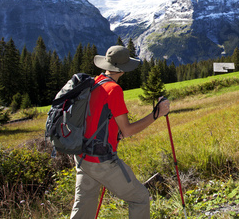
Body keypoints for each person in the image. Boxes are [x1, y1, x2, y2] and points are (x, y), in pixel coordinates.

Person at [70, 45, 170, 219]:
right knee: (140, 198)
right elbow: (128, 130)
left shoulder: (94, 83)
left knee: (84, 207)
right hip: (100, 160)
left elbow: (96, 119)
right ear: (123, 70)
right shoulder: (114, 90)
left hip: (82, 155)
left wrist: (114, 133)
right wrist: (157, 113)